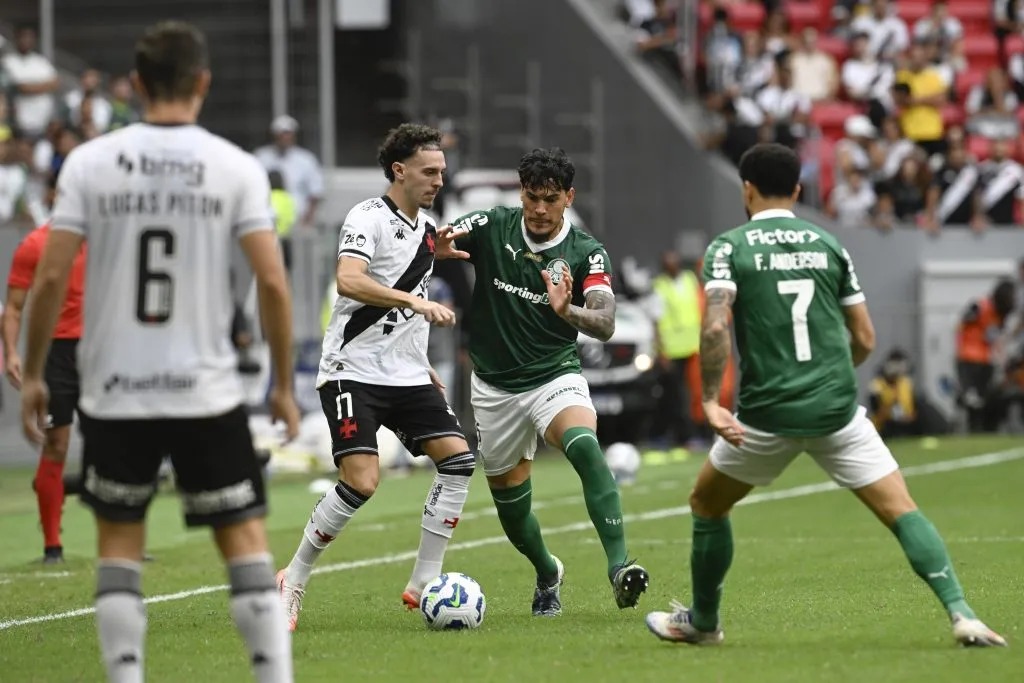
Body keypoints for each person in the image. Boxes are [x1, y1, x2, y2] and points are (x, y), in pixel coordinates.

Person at [19, 21, 299, 682]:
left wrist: (32, 372)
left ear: (137, 84)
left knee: (119, 544)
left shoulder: (89, 163)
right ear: (203, 83)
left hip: (117, 389)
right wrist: (283, 384)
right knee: (244, 541)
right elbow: (271, 281)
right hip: (205, 388)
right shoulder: (235, 166)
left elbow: (51, 277)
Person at [643, 143, 1006, 648]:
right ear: (796, 190)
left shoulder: (729, 247)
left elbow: (714, 327)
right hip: (837, 410)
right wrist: (829, 375)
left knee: (706, 503)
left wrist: (708, 401)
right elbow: (865, 338)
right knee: (902, 510)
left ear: (746, 189)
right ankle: (963, 613)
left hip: (766, 416)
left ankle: (703, 622)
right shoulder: (829, 244)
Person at [276, 123, 475, 631]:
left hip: (407, 374)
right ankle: (293, 578)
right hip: (352, 372)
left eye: (442, 173)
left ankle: (424, 580)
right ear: (398, 170)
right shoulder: (366, 216)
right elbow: (350, 278)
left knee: (458, 462)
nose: (438, 181)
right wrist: (412, 297)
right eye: (429, 172)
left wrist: (420, 355)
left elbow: (410, 271)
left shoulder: (427, 229)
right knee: (362, 481)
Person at [438, 147, 649, 616]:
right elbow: (444, 235)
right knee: (513, 514)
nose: (537, 209)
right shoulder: (493, 224)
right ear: (521, 193)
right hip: (493, 388)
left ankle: (619, 568)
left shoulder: (586, 253)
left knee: (585, 447)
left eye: (549, 199)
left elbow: (606, 321)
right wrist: (435, 245)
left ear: (568, 198)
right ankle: (548, 571)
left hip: (553, 375)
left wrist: (565, 311)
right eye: (531, 197)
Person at [3, 217, 86, 565]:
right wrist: (11, 353)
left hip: (102, 348)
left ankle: (125, 540)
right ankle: (53, 547)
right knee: (57, 443)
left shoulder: (106, 234)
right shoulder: (34, 244)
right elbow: (14, 307)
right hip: (55, 352)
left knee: (119, 444)